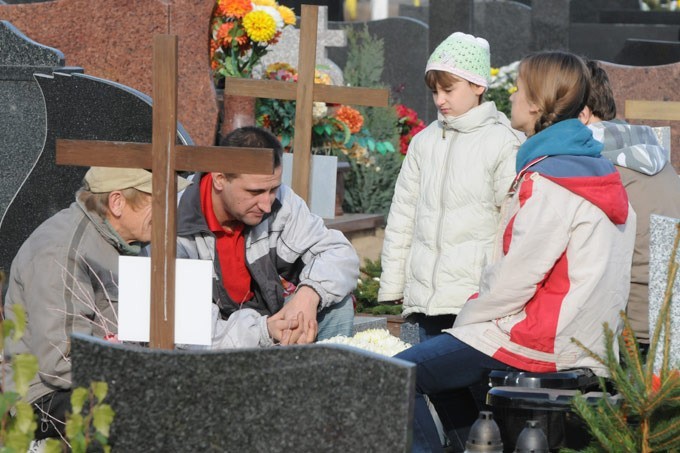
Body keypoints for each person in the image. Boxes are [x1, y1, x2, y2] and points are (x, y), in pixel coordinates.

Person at [395, 51, 636, 453]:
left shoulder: (550, 178)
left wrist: (466, 322)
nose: (511, 97)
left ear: (537, 103)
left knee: (400, 374)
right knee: (441, 370)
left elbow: (514, 278)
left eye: (519, 89)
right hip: (588, 337)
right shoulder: (598, 171)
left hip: (542, 338)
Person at [2, 167, 192, 440]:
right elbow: (61, 360)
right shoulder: (63, 251)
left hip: (112, 384)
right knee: (152, 418)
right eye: (160, 202)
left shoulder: (131, 243)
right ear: (117, 203)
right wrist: (142, 380)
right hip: (45, 403)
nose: (170, 214)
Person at [378, 32, 524, 341]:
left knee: (468, 387)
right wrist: (393, 283)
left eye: (448, 89)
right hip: (424, 299)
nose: (439, 99)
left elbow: (509, 223)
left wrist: (499, 294)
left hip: (473, 300)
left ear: (478, 86)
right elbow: (403, 215)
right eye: (434, 91)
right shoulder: (424, 141)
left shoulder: (502, 141)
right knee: (425, 382)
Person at [176, 126, 359, 344]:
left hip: (268, 326)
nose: (265, 204)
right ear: (219, 179)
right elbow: (186, 326)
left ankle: (326, 376)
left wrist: (309, 294)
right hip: (211, 346)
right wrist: (263, 331)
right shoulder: (176, 220)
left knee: (336, 307)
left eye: (272, 190)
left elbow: (339, 253)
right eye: (254, 192)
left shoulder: (279, 201)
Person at [580, 59, 680, 350]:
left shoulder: (599, 167)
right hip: (666, 321)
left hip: (631, 330)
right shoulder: (652, 155)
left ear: (584, 114)